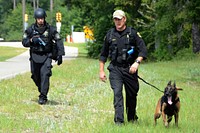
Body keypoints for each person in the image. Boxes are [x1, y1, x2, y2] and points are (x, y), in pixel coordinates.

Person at [99, 10, 147, 125]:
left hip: (130, 69)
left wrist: (136, 63)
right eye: (115, 19)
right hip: (115, 69)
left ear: (124, 19)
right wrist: (101, 70)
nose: (117, 21)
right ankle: (119, 121)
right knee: (117, 93)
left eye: (119, 19)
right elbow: (103, 54)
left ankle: (132, 118)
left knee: (131, 95)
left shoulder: (132, 33)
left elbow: (143, 50)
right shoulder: (110, 35)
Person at [22, 8, 65, 105]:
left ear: (44, 18)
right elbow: (24, 42)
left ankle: (43, 96)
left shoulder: (51, 30)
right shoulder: (30, 30)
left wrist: (60, 55)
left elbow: (59, 41)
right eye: (38, 18)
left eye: (42, 18)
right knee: (35, 76)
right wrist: (31, 41)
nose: (40, 20)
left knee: (45, 75)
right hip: (34, 56)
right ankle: (42, 89)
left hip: (47, 56)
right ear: (36, 19)